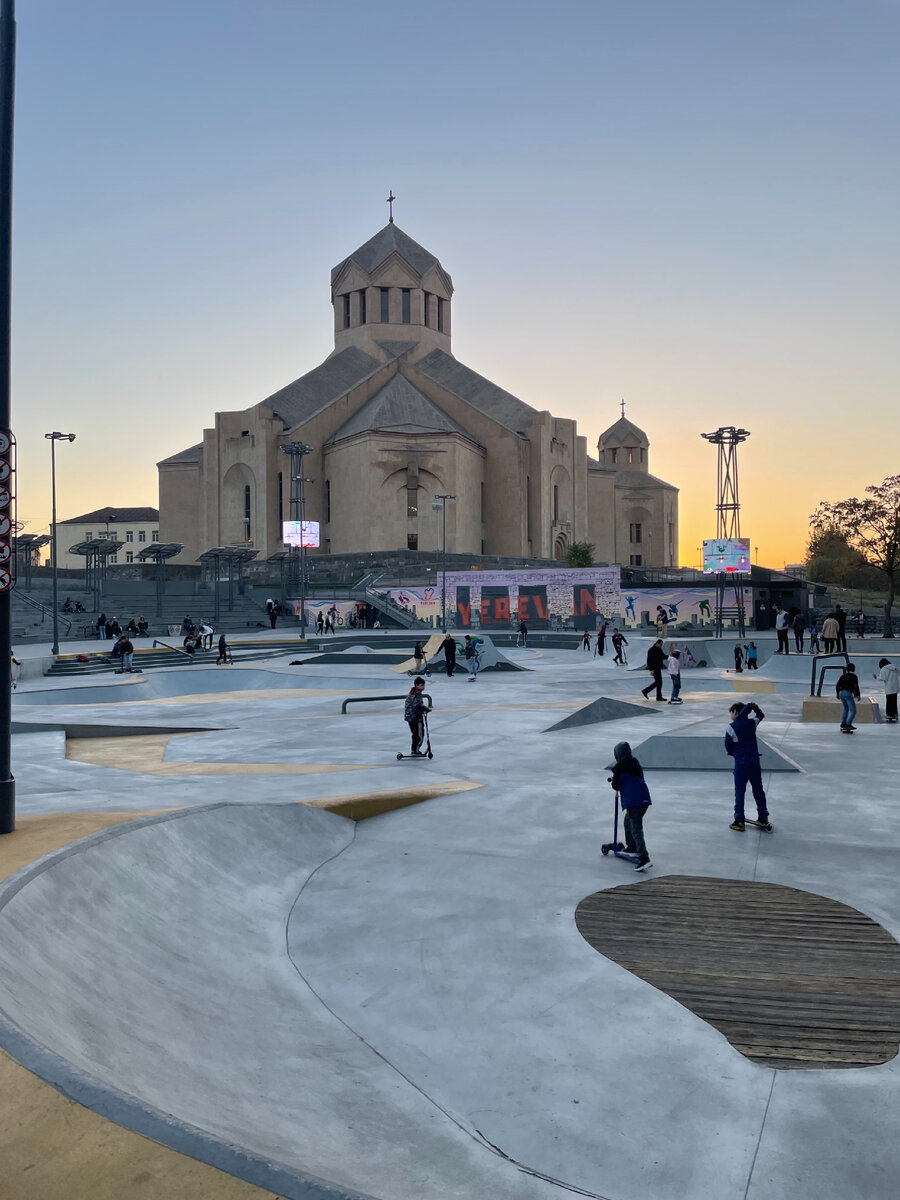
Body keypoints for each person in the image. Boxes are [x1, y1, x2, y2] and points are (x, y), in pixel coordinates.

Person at [724, 702, 772, 832]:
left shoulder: (731, 727)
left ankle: (739, 820)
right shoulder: (752, 723)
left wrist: (735, 753)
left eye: (731, 712)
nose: (731, 715)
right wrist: (754, 707)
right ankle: (763, 816)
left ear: (735, 712)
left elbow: (728, 747)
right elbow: (761, 715)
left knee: (740, 792)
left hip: (741, 764)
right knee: (758, 791)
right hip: (754, 763)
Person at [608, 741, 652, 871]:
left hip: (634, 802)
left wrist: (615, 775)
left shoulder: (619, 768)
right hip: (643, 799)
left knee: (636, 828)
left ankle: (644, 858)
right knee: (628, 821)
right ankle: (632, 848)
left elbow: (616, 785)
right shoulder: (635, 763)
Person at [404, 676, 428, 755]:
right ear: (416, 685)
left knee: (414, 734)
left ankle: (413, 749)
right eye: (422, 685)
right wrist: (425, 708)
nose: (423, 687)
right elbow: (417, 705)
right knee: (420, 735)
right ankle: (416, 750)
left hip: (409, 717)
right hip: (416, 718)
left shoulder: (411, 692)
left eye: (424, 685)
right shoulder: (417, 693)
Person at [835, 662, 860, 732]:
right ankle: (848, 724)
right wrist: (858, 695)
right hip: (847, 693)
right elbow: (855, 686)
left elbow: (837, 685)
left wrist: (837, 694)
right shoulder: (854, 676)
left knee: (846, 708)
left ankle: (843, 722)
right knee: (853, 710)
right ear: (854, 669)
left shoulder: (843, 676)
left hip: (841, 693)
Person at [874, 658, 899, 724]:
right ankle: (895, 713)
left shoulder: (884, 669)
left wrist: (876, 677)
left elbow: (883, 678)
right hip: (895, 687)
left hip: (889, 687)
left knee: (889, 701)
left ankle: (889, 714)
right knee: (894, 701)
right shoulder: (894, 667)